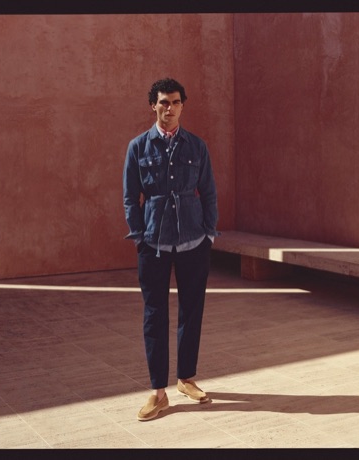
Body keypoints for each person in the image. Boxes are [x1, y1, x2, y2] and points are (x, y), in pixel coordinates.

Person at [122, 78, 219, 421]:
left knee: (192, 310)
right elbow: (130, 197)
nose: (169, 108)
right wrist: (139, 235)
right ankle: (157, 391)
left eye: (175, 102)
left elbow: (208, 192)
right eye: (163, 102)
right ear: (153, 105)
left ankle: (186, 378)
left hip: (194, 241)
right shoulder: (138, 147)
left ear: (182, 106)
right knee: (155, 314)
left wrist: (209, 233)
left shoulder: (197, 146)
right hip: (153, 243)